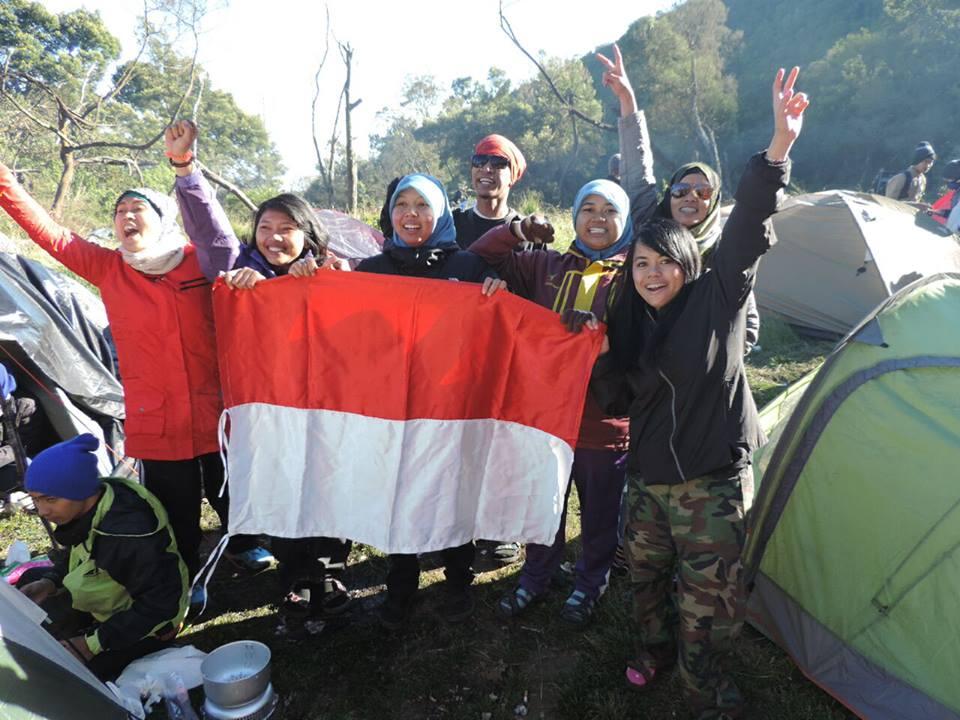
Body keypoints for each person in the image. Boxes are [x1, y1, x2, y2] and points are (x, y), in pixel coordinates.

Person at [589, 67, 808, 720]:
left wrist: (777, 149)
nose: (653, 272)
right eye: (642, 264)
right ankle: (653, 650)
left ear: (689, 263)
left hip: (709, 475)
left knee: (708, 596)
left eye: (665, 263)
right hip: (649, 477)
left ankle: (704, 682)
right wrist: (629, 113)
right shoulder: (634, 315)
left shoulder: (719, 291)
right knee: (646, 578)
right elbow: (641, 190)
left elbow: (750, 230)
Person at [0, 151, 271, 599]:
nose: (126, 217)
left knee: (230, 487)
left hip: (213, 404)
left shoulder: (196, 262)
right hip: (155, 414)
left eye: (136, 209)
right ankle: (185, 575)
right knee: (173, 506)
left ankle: (243, 543)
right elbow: (50, 234)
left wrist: (186, 169)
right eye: (119, 211)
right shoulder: (109, 269)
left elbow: (217, 236)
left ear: (161, 217)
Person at [470, 48, 651, 622]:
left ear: (625, 223)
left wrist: (604, 336)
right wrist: (513, 234)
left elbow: (644, 342)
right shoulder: (543, 266)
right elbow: (472, 263)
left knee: (599, 512)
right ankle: (537, 574)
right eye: (588, 208)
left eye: (610, 211)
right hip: (544, 416)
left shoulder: (638, 276)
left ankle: (591, 579)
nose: (598, 218)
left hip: (604, 420)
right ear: (574, 215)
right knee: (542, 504)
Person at [166, 120, 352, 622]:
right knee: (282, 487)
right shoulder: (239, 272)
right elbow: (207, 228)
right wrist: (186, 170)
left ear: (306, 234)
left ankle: (330, 567)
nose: (272, 238)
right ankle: (293, 575)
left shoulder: (333, 273)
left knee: (329, 484)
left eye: (285, 230)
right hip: (266, 412)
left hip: (329, 408)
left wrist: (324, 285)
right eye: (265, 229)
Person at [357, 173, 502, 629]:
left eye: (423, 205)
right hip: (392, 408)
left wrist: (497, 295)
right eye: (402, 204)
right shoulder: (370, 271)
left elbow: (493, 331)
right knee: (398, 492)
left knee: (453, 489)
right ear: (390, 212)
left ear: (439, 212)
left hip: (451, 405)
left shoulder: (470, 266)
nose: (411, 215)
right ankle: (401, 584)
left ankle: (458, 579)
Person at [596, 46, 761, 356]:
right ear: (668, 194)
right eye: (681, 190)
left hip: (694, 376)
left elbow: (748, 326)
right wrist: (627, 101)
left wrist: (710, 360)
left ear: (714, 202)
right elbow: (637, 169)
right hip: (641, 367)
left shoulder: (723, 252)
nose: (690, 197)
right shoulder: (650, 223)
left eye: (703, 192)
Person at [18, 434, 188, 681]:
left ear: (79, 490)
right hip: (110, 593)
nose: (43, 511)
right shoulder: (94, 502)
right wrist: (51, 582)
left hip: (152, 622)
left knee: (77, 675)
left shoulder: (127, 536)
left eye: (50, 499)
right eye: (35, 499)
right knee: (32, 580)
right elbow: (80, 553)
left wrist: (91, 644)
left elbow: (160, 604)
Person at [452, 134, 526, 250]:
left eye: (497, 162)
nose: (486, 169)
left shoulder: (526, 232)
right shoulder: (452, 225)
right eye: (479, 161)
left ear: (512, 175)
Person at [930, 159, 960, 226]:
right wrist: (936, 211)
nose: (948, 184)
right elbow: (954, 214)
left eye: (950, 181)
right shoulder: (956, 192)